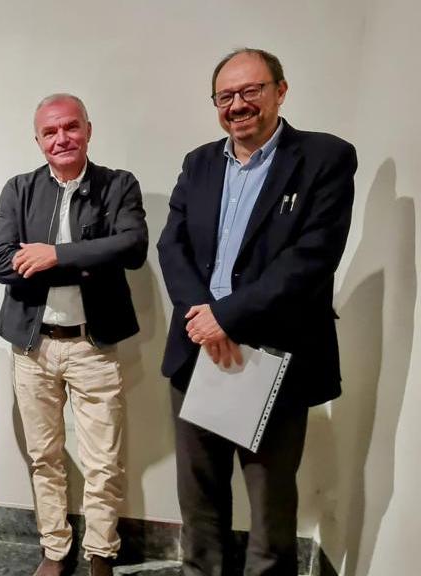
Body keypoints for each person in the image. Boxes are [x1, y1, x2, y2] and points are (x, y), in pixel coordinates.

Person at [157, 48, 356, 575]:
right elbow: (172, 245)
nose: (238, 104)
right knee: (198, 505)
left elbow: (312, 258)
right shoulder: (199, 162)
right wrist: (204, 318)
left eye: (251, 90)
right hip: (198, 352)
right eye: (226, 96)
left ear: (280, 91)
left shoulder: (325, 158)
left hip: (274, 357)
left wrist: (228, 317)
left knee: (270, 510)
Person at [0, 94, 148, 576]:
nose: (62, 138)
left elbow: (132, 247)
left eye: (71, 127)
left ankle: (100, 553)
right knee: (45, 457)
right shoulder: (19, 189)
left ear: (88, 129)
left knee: (103, 462)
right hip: (33, 346)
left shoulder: (119, 185)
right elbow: (3, 264)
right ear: (38, 140)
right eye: (50, 131)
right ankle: (55, 550)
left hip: (92, 346)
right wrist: (90, 259)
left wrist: (53, 255)